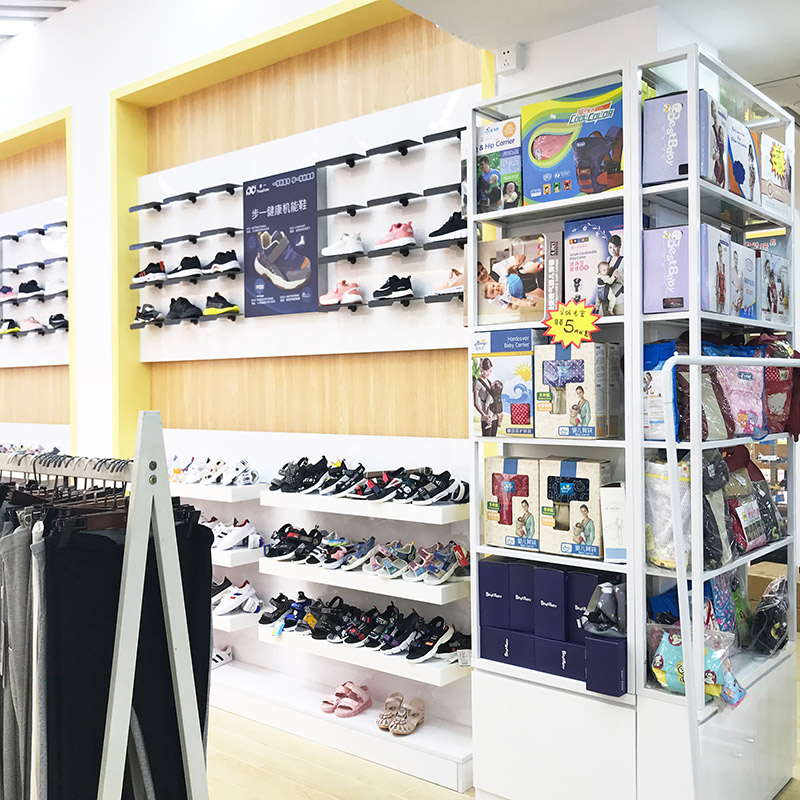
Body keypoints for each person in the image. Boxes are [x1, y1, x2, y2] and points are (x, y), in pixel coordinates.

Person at [473, 357, 502, 436]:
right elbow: (475, 403)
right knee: (486, 440)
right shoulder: (477, 383)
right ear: (481, 369)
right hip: (486, 418)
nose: (488, 373)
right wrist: (484, 415)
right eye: (486, 371)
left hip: (494, 416)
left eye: (490, 371)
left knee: (494, 439)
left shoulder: (489, 382)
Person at [606, 234, 624, 314]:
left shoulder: (624, 260)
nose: (612, 250)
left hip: (619, 297)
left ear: (619, 247)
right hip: (608, 297)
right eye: (610, 247)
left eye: (615, 247)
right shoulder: (608, 261)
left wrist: (618, 277)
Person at [730, 249, 743, 315]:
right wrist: (732, 304)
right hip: (733, 298)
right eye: (735, 258)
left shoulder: (740, 272)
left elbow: (742, 287)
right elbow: (730, 287)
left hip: (739, 299)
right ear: (733, 259)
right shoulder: (731, 271)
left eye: (737, 259)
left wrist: (741, 299)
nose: (736, 260)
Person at [715, 242, 726, 313]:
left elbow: (725, 280)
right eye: (719, 252)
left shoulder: (724, 265)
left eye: (721, 251)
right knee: (718, 310)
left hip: (723, 290)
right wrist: (717, 291)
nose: (720, 254)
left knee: (723, 310)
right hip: (718, 291)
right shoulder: (717, 264)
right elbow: (716, 279)